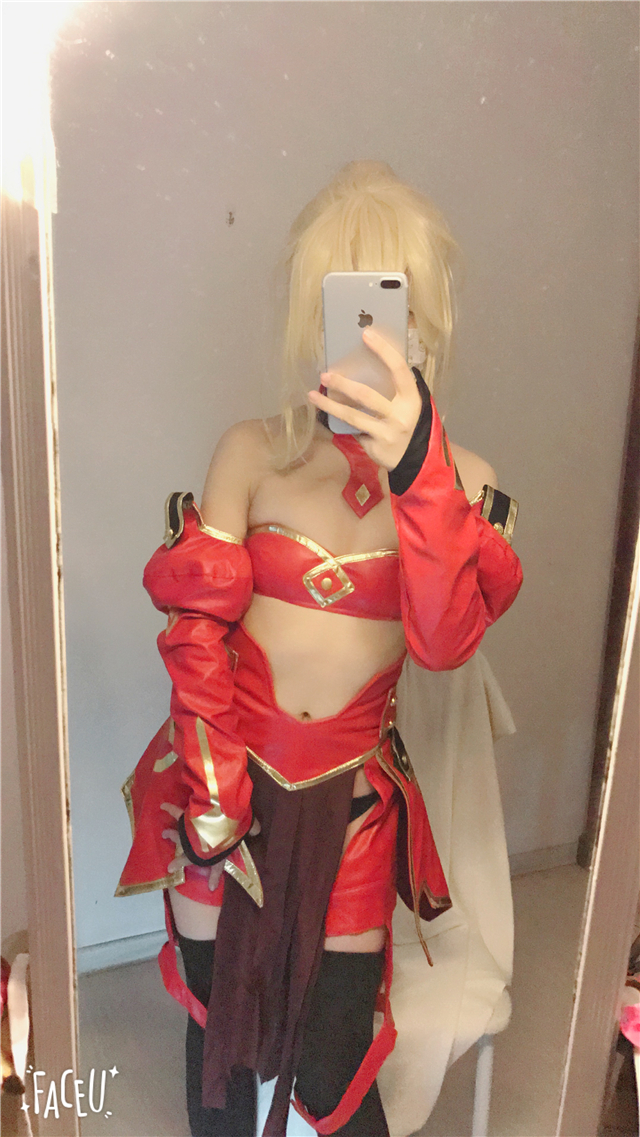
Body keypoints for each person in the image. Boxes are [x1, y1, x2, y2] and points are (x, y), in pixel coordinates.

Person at [115, 160, 523, 1137]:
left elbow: (443, 645)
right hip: (219, 779)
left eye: (395, 309)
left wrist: (419, 475)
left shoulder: (465, 484)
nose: (374, 340)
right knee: (217, 1023)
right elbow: (196, 634)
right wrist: (214, 794)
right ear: (314, 315)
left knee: (332, 1051)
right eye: (350, 310)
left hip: (352, 808)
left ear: (427, 321)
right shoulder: (251, 451)